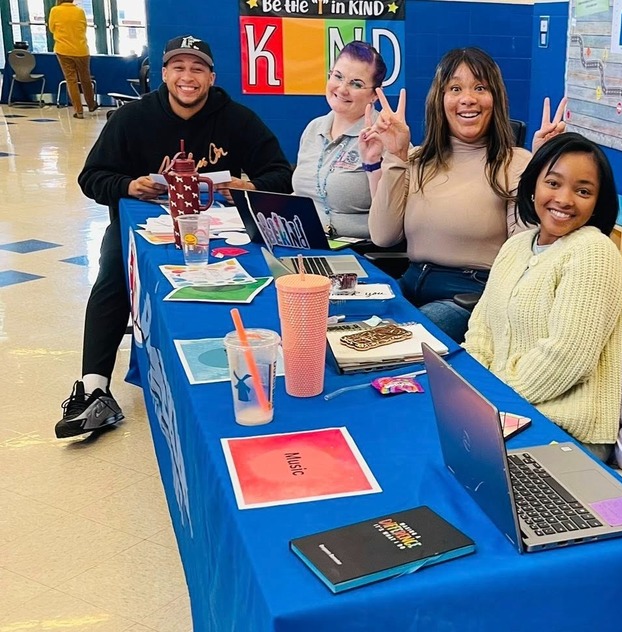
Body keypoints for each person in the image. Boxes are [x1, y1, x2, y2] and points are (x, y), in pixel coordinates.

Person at [56, 35, 293, 439]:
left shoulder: (238, 119)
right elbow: (90, 178)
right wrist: (129, 186)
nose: (188, 77)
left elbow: (281, 176)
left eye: (197, 68)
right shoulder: (131, 119)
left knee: (255, 275)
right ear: (163, 74)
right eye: (178, 68)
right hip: (143, 229)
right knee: (112, 271)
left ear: (211, 76)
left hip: (220, 230)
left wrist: (247, 186)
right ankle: (94, 389)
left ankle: (241, 372)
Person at [363, 46, 566, 342]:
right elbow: (382, 236)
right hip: (410, 283)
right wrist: (395, 155)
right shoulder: (417, 159)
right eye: (455, 88)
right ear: (440, 100)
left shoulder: (516, 162)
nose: (467, 98)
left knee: (394, 340)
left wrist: (542, 170)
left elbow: (526, 251)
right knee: (348, 329)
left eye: (480, 87)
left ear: (495, 99)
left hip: (471, 296)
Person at [463, 132, 622, 460]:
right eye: (553, 183)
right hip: (503, 412)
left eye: (583, 191)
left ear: (599, 201)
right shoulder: (515, 246)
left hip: (563, 433)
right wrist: (469, 394)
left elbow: (566, 359)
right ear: (534, 185)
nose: (565, 199)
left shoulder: (594, 251)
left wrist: (490, 399)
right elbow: (481, 333)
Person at [292, 41, 387, 242]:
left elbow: (395, 215)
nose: (342, 89)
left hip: (360, 250)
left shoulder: (386, 134)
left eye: (356, 84)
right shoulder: (313, 128)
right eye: (338, 76)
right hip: (303, 242)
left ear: (374, 95)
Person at [48, 0, 97, 118]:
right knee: (85, 78)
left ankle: (79, 111)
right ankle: (91, 104)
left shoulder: (55, 10)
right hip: (81, 50)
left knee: (71, 80)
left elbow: (51, 28)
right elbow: (84, 27)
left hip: (63, 49)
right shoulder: (80, 11)